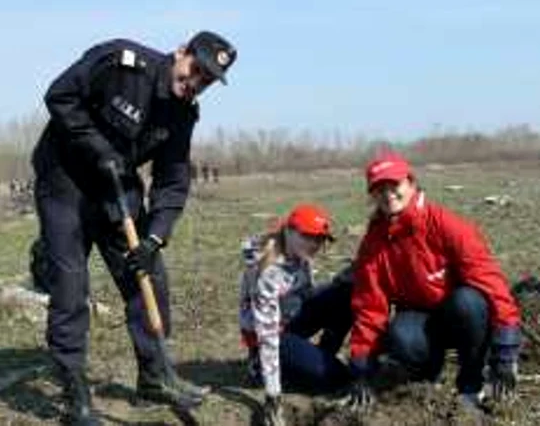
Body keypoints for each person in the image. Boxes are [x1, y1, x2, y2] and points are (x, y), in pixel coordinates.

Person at [31, 31, 237, 425]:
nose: (195, 83)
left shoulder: (183, 113)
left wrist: (155, 237)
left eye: (206, 81)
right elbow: (59, 96)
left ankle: (154, 377)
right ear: (180, 52)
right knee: (72, 287)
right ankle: (75, 395)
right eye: (195, 69)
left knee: (149, 276)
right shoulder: (121, 63)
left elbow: (173, 181)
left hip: (117, 189)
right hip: (65, 180)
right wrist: (97, 147)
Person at [342, 152, 521, 412]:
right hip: (419, 318)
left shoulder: (447, 225)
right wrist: (360, 369)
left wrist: (505, 352)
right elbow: (370, 307)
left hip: (460, 315)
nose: (388, 193)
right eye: (379, 188)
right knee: (400, 334)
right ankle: (426, 382)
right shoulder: (373, 243)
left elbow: (493, 286)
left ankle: (471, 385)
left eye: (394, 185)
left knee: (468, 303)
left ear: (411, 184)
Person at [238, 204, 353, 426]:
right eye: (309, 236)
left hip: (290, 320)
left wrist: (340, 284)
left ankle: (321, 356)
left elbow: (306, 294)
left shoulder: (299, 254)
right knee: (337, 377)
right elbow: (267, 334)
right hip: (270, 337)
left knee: (346, 291)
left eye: (320, 238)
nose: (315, 244)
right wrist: (273, 394)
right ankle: (260, 367)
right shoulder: (267, 272)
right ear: (290, 231)